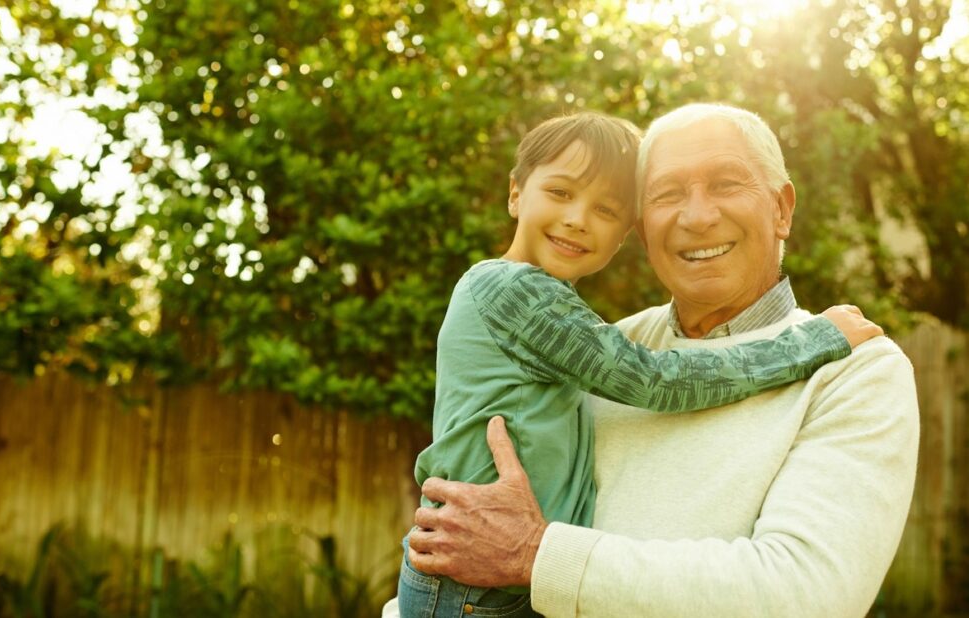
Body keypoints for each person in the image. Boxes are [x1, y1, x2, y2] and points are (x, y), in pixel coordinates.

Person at [392, 103, 919, 617]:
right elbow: (464, 546)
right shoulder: (614, 347)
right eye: (667, 194)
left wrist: (537, 554)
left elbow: (804, 598)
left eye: (725, 184)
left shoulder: (856, 371)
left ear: (781, 209)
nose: (698, 216)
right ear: (644, 231)